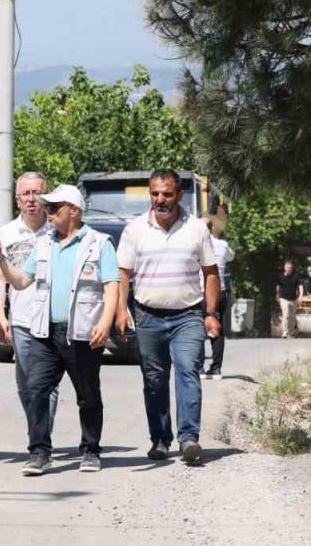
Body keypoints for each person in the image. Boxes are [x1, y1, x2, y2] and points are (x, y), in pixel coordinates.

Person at [0, 184, 120, 476]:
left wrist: (105, 321)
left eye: (53, 209)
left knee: (87, 394)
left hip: (81, 333)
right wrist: (1, 260)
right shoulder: (44, 243)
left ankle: (90, 450)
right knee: (36, 390)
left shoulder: (99, 243)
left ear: (73, 211)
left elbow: (112, 284)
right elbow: (21, 281)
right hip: (44, 333)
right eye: (46, 208)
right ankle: (39, 453)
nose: (48, 214)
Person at [114, 170, 221, 465]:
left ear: (179, 195)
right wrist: (121, 310)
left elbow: (211, 273)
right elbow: (123, 273)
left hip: (188, 315)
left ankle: (189, 438)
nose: (160, 199)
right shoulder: (134, 230)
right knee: (154, 379)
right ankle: (160, 439)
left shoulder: (197, 229)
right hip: (148, 316)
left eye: (167, 194)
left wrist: (211, 313)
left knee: (188, 370)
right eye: (155, 193)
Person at [0, 171, 59, 435]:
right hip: (21, 319)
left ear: (45, 196)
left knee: (45, 383)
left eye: (36, 193)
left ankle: (41, 437)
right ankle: (38, 431)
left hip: (52, 317)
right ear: (17, 199)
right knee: (25, 384)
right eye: (25, 194)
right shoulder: (7, 233)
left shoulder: (57, 230)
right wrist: (0, 315)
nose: (31, 199)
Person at [203, 223, 235, 379]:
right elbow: (231, 256)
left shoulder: (195, 244)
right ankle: (216, 369)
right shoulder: (222, 245)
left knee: (196, 330)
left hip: (202, 292)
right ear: (211, 228)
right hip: (220, 291)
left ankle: (199, 368)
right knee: (218, 330)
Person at [276, 260, 303, 338]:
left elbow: (300, 286)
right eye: (287, 267)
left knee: (292, 316)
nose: (288, 269)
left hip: (293, 299)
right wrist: (277, 295)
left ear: (292, 268)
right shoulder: (280, 276)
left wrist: (300, 296)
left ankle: (291, 332)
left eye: (290, 267)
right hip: (283, 298)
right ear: (284, 268)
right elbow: (278, 286)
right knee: (286, 314)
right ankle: (285, 332)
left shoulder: (296, 276)